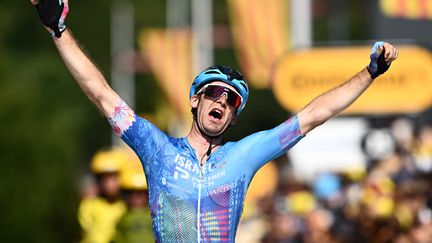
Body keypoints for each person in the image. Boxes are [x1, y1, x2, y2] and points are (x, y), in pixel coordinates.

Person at [31, 0, 399, 242]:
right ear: (195, 101)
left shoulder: (244, 155)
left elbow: (315, 115)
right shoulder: (157, 148)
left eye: (231, 100)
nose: (221, 100)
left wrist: (369, 73)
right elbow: (101, 94)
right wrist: (58, 31)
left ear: (234, 116)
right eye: (213, 93)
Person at [78, 148, 127, 243]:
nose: (109, 184)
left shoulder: (127, 206)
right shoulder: (90, 204)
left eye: (114, 178)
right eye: (105, 179)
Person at [112, 152, 154, 243]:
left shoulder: (155, 216)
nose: (137, 198)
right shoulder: (121, 217)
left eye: (141, 193)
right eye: (131, 193)